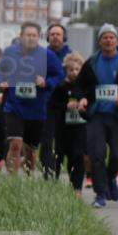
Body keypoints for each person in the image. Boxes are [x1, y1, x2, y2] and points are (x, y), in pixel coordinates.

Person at [71, 24, 118, 208]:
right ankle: (100, 195)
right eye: (104, 37)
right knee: (97, 155)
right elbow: (78, 86)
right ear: (99, 41)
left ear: (117, 40)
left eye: (111, 37)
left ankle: (109, 179)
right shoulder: (91, 63)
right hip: (96, 115)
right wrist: (81, 99)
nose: (108, 40)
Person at [0, 23, 64, 175]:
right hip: (14, 106)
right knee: (15, 144)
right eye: (28, 35)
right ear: (21, 36)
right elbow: (0, 70)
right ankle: (11, 182)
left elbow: (59, 74)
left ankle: (28, 178)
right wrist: (1, 82)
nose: (31, 38)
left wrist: (46, 83)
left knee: (31, 150)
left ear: (39, 38)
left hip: (37, 109)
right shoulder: (10, 52)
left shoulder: (47, 55)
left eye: (34, 35)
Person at [50, 52, 88, 194]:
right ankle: (54, 183)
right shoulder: (61, 87)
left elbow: (91, 103)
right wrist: (65, 106)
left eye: (77, 69)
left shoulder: (85, 88)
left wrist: (85, 104)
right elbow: (52, 104)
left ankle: (76, 189)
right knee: (58, 156)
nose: (74, 73)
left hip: (80, 128)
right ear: (66, 70)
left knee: (78, 156)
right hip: (62, 129)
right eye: (71, 70)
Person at [41, 23, 72, 178]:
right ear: (48, 37)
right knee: (46, 141)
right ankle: (48, 173)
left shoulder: (71, 56)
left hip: (66, 104)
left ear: (64, 37)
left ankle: (57, 173)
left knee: (62, 142)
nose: (55, 37)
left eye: (58, 34)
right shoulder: (41, 55)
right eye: (52, 34)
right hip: (47, 103)